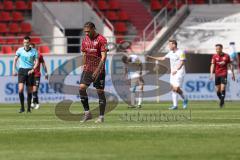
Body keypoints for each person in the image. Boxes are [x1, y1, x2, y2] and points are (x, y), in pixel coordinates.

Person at [79, 22, 107, 123]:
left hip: (99, 70)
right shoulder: (85, 40)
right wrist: (83, 65)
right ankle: (87, 113)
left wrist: (97, 70)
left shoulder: (101, 39)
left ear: (93, 29)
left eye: (88, 31)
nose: (86, 33)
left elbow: (103, 57)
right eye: (85, 31)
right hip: (88, 69)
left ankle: (101, 116)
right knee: (82, 88)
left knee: (100, 92)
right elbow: (84, 54)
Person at [151, 40, 188, 110]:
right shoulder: (170, 52)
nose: (169, 46)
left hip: (180, 72)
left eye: (170, 45)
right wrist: (152, 58)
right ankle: (175, 105)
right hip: (172, 73)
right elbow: (162, 58)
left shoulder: (181, 52)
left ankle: (185, 98)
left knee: (176, 88)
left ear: (174, 45)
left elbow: (182, 62)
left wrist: (176, 70)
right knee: (174, 89)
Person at [12, 36, 39, 113]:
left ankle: (28, 108)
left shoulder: (34, 51)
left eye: (27, 42)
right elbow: (15, 59)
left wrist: (33, 69)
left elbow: (37, 62)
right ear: (23, 42)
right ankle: (22, 107)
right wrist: (14, 70)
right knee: (20, 89)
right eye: (24, 42)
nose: (26, 44)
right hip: (21, 71)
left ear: (30, 43)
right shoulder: (20, 50)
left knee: (29, 91)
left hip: (30, 70)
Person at [29, 43, 48, 109]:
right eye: (30, 47)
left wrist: (46, 73)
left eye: (32, 47)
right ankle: (37, 103)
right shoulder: (27, 55)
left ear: (35, 48)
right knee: (31, 90)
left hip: (37, 74)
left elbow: (43, 64)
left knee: (35, 90)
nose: (31, 49)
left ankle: (32, 103)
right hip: (29, 75)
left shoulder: (39, 55)